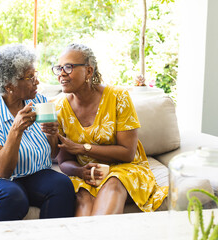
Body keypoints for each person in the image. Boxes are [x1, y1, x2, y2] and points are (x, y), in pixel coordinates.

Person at [0, 43, 76, 222]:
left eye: (35, 75)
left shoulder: (39, 102)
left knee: (62, 185)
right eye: (29, 77)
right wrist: (16, 130)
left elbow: (52, 153)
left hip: (29, 176)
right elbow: (0, 171)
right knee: (13, 196)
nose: (36, 81)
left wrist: (52, 134)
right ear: (9, 85)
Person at [51, 43, 168, 216]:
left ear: (89, 72)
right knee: (83, 198)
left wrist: (83, 148)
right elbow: (64, 161)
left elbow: (127, 153)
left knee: (112, 184)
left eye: (68, 67)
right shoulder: (58, 107)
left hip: (124, 169)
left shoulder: (118, 97)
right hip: (86, 173)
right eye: (59, 68)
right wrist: (80, 171)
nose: (61, 73)